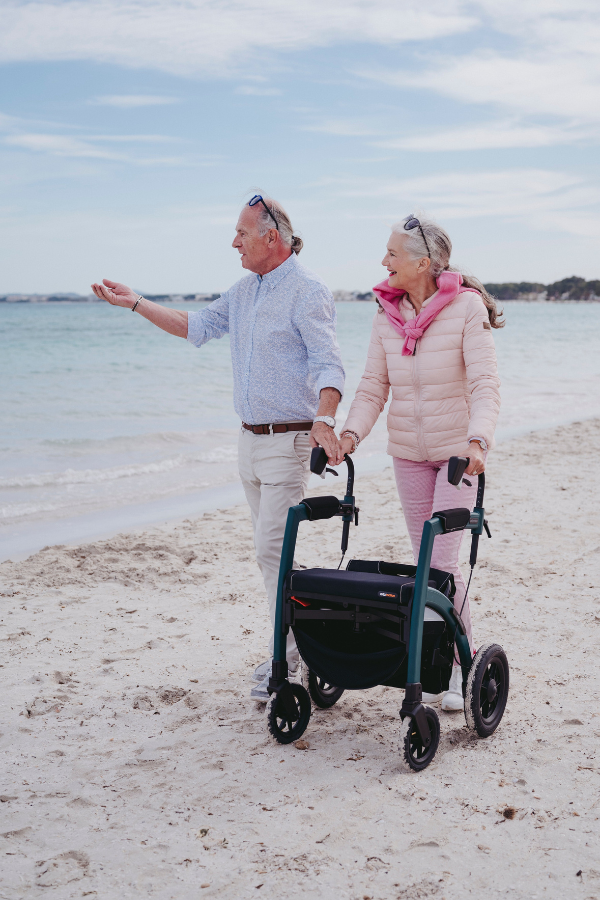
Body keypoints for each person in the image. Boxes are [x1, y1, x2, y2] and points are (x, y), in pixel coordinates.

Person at [91, 195, 345, 701]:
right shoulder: (243, 291)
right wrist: (135, 302)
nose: (234, 242)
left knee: (270, 550)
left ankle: (286, 658)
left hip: (288, 441)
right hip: (247, 442)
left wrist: (325, 419)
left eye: (242, 234)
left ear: (271, 238)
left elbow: (329, 365)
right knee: (273, 556)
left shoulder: (308, 290)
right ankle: (298, 643)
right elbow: (196, 327)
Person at [338, 213, 502, 711]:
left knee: (440, 565)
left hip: (458, 458)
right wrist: (350, 434)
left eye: (392, 253)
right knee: (429, 568)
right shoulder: (384, 316)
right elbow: (372, 387)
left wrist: (478, 443)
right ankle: (452, 656)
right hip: (408, 455)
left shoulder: (466, 309)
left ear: (424, 264)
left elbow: (484, 385)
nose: (383, 261)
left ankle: (454, 668)